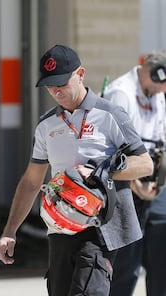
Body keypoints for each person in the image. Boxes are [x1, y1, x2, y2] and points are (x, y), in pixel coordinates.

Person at [0, 44, 154, 296]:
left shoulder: (110, 113)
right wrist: (10, 230)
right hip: (59, 228)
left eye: (62, 83)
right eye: (49, 85)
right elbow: (31, 181)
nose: (56, 90)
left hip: (100, 229)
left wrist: (102, 172)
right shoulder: (46, 124)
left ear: (80, 74)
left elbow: (145, 163)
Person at [104, 51, 166, 296]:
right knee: (127, 264)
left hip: (152, 183)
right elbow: (110, 150)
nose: (164, 91)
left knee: (162, 252)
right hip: (123, 183)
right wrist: (135, 184)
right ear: (156, 74)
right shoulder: (121, 93)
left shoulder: (157, 97)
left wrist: (158, 182)